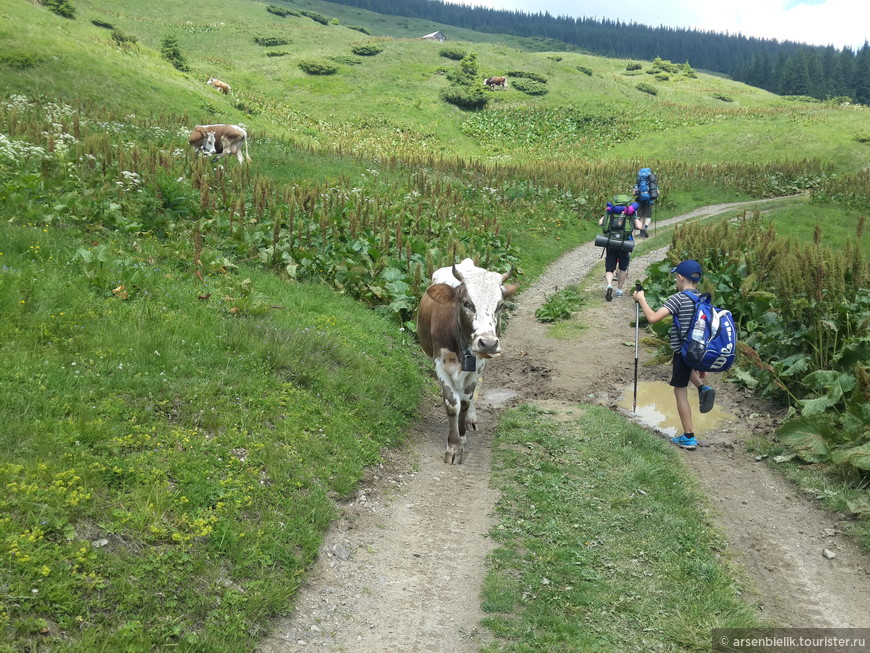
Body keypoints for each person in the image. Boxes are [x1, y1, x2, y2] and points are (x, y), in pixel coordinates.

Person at [632, 259, 716, 450]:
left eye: (676, 277)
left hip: (683, 351)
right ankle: (703, 389)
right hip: (697, 350)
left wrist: (641, 299)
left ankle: (689, 436)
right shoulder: (703, 299)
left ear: (680, 277)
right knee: (687, 371)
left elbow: (653, 318)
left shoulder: (678, 298)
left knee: (680, 391)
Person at [598, 197, 643, 301]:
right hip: (625, 243)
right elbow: (639, 226)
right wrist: (634, 220)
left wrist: (606, 214)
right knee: (623, 268)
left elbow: (601, 223)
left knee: (609, 268)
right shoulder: (630, 212)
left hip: (611, 242)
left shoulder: (611, 210)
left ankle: (609, 285)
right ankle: (619, 290)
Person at [632, 168, 658, 238]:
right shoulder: (651, 183)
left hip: (640, 200)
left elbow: (633, 193)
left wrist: (638, 193)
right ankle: (645, 227)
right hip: (649, 201)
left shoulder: (639, 183)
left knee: (641, 216)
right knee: (648, 216)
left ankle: (641, 231)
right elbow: (658, 192)